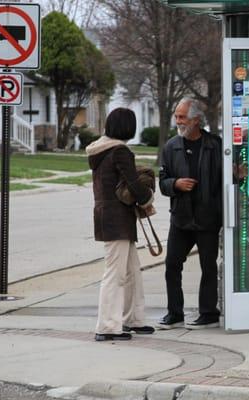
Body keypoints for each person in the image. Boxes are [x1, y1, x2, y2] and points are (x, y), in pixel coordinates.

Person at [87, 108, 155, 341]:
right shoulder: (120, 151)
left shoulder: (100, 150)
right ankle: (107, 326)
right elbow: (133, 183)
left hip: (108, 215)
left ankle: (132, 319)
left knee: (131, 271)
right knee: (115, 273)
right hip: (118, 218)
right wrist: (147, 198)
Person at [158, 97, 223, 330]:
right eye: (176, 116)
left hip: (208, 218)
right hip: (181, 218)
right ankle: (174, 313)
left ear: (196, 119)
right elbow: (162, 182)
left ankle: (208, 312)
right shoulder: (171, 146)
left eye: (182, 117)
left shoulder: (215, 145)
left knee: (208, 265)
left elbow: (226, 180)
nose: (178, 121)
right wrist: (176, 184)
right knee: (172, 265)